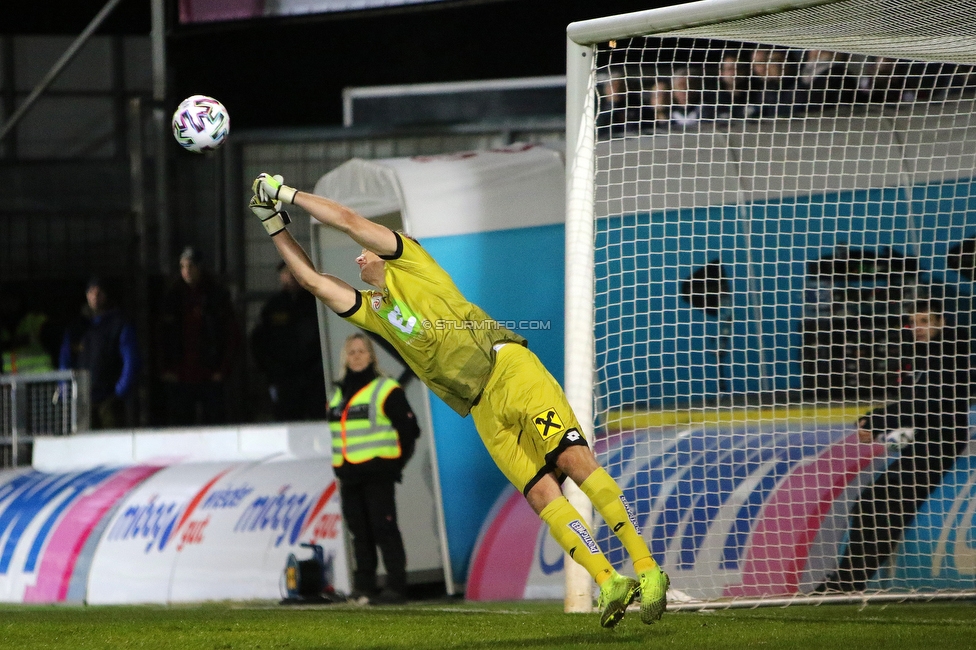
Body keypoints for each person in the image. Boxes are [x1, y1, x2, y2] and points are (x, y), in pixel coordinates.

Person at [248, 172, 670, 628]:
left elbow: (347, 218)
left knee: (573, 461)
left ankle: (648, 570)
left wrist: (285, 193)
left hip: (509, 369)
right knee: (542, 495)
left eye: (369, 250)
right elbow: (311, 280)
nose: (360, 255)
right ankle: (609, 581)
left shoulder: (412, 262)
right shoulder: (376, 312)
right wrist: (273, 223)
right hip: (479, 407)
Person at [818, 299, 972, 592]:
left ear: (942, 322)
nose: (918, 328)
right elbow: (916, 404)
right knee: (870, 505)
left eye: (926, 321)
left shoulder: (950, 354)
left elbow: (927, 404)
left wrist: (877, 421)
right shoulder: (922, 357)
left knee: (878, 506)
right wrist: (878, 420)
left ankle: (848, 583)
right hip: (926, 441)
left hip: (941, 444)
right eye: (915, 322)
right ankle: (847, 581)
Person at [329, 333, 420, 605]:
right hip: (349, 475)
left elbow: (410, 430)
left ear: (372, 356)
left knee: (384, 529)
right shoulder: (338, 393)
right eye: (351, 352)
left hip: (378, 473)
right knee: (360, 533)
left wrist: (394, 464)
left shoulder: (385, 389)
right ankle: (364, 587)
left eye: (361, 351)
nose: (356, 356)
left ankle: (395, 586)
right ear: (345, 357)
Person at [157, 246, 241, 426]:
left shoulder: (216, 296)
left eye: (191, 266)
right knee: (181, 425)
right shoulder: (172, 298)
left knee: (214, 423)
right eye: (182, 266)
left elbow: (230, 335)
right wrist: (166, 368)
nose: (186, 271)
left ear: (200, 267)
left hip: (209, 373)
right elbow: (162, 337)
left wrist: (222, 370)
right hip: (180, 374)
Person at [58, 277, 140, 429]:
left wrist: (119, 391)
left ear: (106, 295)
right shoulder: (76, 327)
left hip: (109, 399)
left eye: (99, 292)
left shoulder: (119, 324)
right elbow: (65, 360)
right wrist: (65, 390)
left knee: (113, 443)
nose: (95, 296)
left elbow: (130, 360)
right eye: (91, 292)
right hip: (82, 399)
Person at [250, 261, 327, 421]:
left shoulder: (314, 304)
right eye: (285, 273)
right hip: (284, 379)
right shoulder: (273, 306)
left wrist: (317, 367)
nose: (290, 277)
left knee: (317, 421)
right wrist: (271, 370)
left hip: (313, 378)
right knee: (288, 423)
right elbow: (258, 342)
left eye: (293, 272)